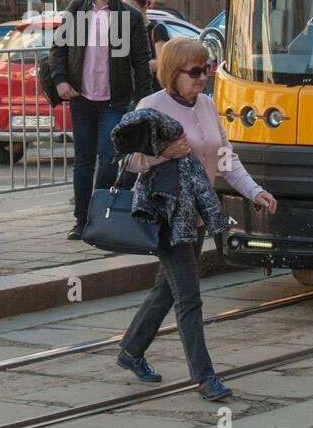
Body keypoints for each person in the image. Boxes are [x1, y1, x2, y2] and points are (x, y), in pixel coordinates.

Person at [117, 37, 278, 402]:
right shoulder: (151, 106)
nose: (202, 77)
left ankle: (130, 351)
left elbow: (225, 158)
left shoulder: (206, 105)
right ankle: (204, 377)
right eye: (194, 71)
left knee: (166, 289)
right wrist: (162, 153)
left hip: (197, 213)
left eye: (206, 69)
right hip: (166, 214)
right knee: (188, 297)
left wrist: (255, 191)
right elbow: (127, 160)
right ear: (174, 72)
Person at [49, 0, 152, 241]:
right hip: (81, 99)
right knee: (83, 161)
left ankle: (99, 214)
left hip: (114, 101)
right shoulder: (77, 10)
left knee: (107, 157)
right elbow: (57, 49)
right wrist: (60, 81)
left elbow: (142, 61)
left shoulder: (128, 17)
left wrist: (144, 101)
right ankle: (81, 220)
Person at [123, 0, 170, 91]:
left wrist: (136, 65)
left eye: (132, 8)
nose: (128, 12)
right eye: (124, 8)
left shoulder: (157, 30)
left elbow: (163, 63)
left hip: (153, 90)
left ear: (144, 8)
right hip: (131, 92)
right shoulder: (124, 31)